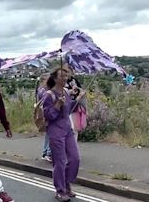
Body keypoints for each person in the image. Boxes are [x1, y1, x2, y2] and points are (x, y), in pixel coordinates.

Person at [42, 68, 84, 202]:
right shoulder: (49, 95)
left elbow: (69, 109)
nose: (65, 78)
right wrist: (57, 104)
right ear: (55, 78)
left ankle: (66, 183)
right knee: (59, 162)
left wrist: (77, 99)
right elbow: (48, 115)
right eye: (62, 75)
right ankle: (60, 190)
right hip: (55, 131)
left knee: (75, 159)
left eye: (67, 75)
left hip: (67, 130)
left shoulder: (66, 91)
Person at [64, 66, 86, 141]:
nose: (68, 74)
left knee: (75, 127)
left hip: (76, 104)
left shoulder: (74, 80)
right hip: (68, 104)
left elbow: (81, 89)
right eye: (66, 72)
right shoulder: (63, 81)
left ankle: (74, 144)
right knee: (70, 126)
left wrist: (80, 90)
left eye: (69, 72)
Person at [36, 73, 52, 162]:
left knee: (47, 134)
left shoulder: (40, 89)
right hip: (46, 113)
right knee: (50, 133)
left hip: (42, 113)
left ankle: (45, 152)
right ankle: (49, 153)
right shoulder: (45, 90)